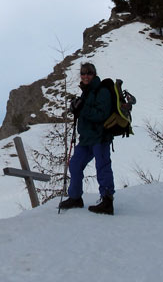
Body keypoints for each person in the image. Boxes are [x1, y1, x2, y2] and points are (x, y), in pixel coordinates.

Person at [58, 62, 115, 215]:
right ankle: (75, 198)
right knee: (75, 164)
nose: (85, 76)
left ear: (94, 74)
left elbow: (101, 114)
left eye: (89, 73)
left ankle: (107, 201)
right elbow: (85, 112)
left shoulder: (102, 91)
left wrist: (82, 108)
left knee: (102, 167)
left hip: (100, 136)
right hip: (86, 138)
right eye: (83, 73)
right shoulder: (87, 92)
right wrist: (76, 108)